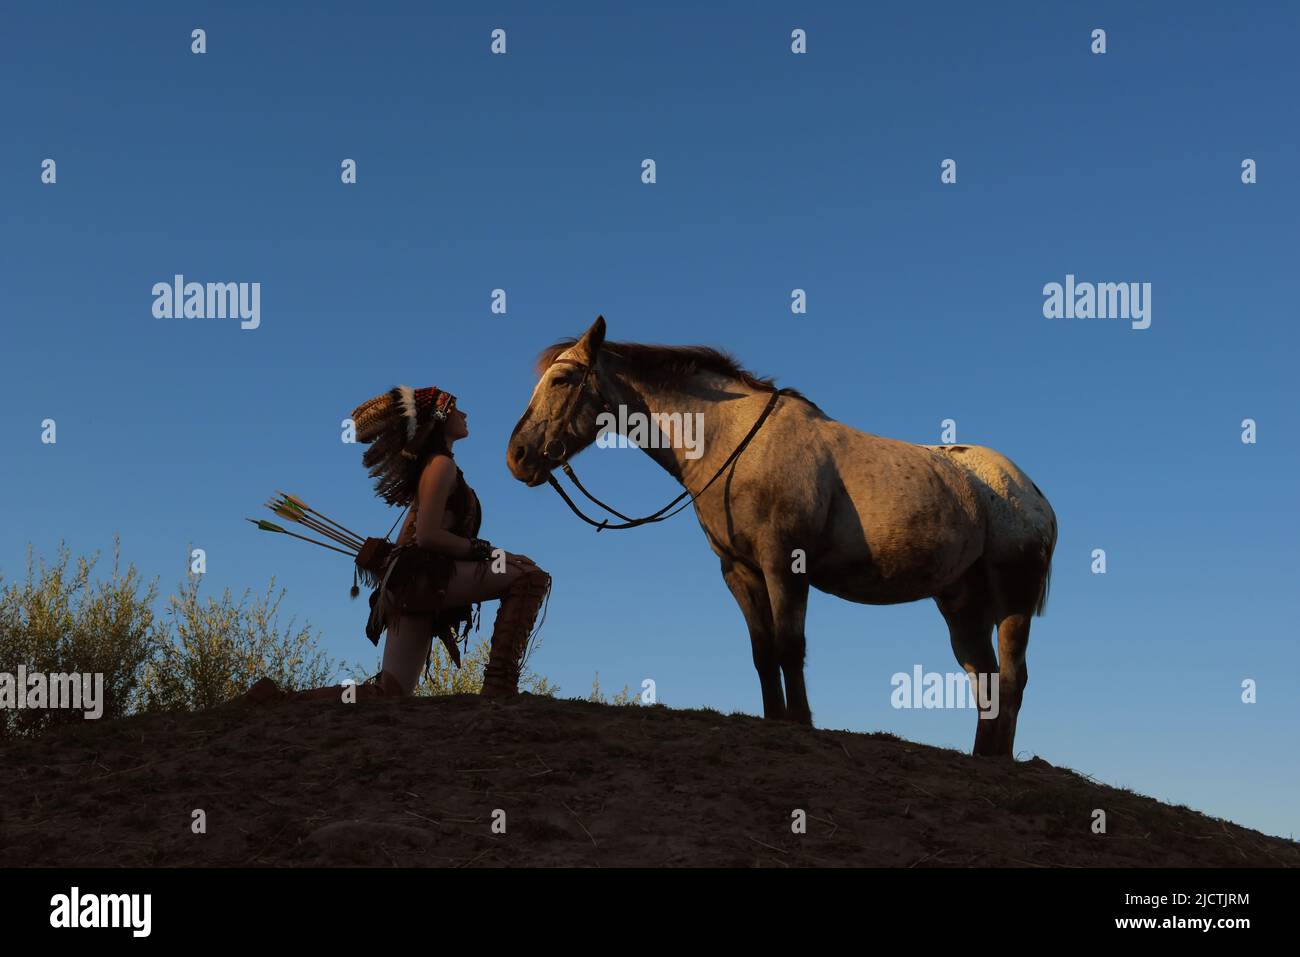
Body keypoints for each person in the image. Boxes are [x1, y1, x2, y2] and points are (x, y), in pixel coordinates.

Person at [243, 384, 550, 704]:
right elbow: (428, 537)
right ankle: (499, 686)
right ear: (440, 419)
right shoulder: (441, 466)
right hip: (426, 579)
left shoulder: (434, 468)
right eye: (457, 409)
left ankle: (277, 700)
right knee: (530, 577)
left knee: (390, 692)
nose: (464, 414)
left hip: (411, 585)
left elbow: (407, 539)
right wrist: (494, 554)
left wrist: (388, 562)